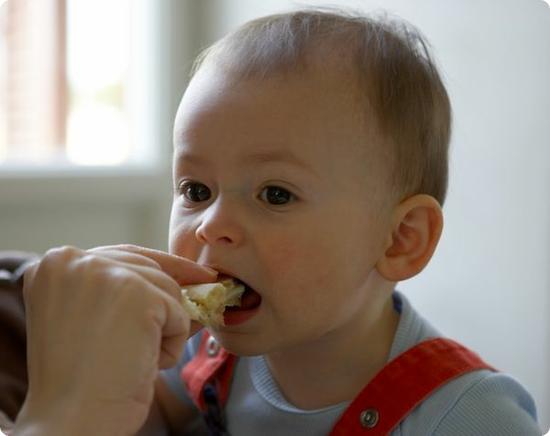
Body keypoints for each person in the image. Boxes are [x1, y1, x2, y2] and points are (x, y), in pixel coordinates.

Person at [10, 8, 542, 436]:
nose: (210, 227)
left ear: (401, 239)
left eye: (275, 194)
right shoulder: (202, 353)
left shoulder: (470, 415)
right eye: (197, 191)